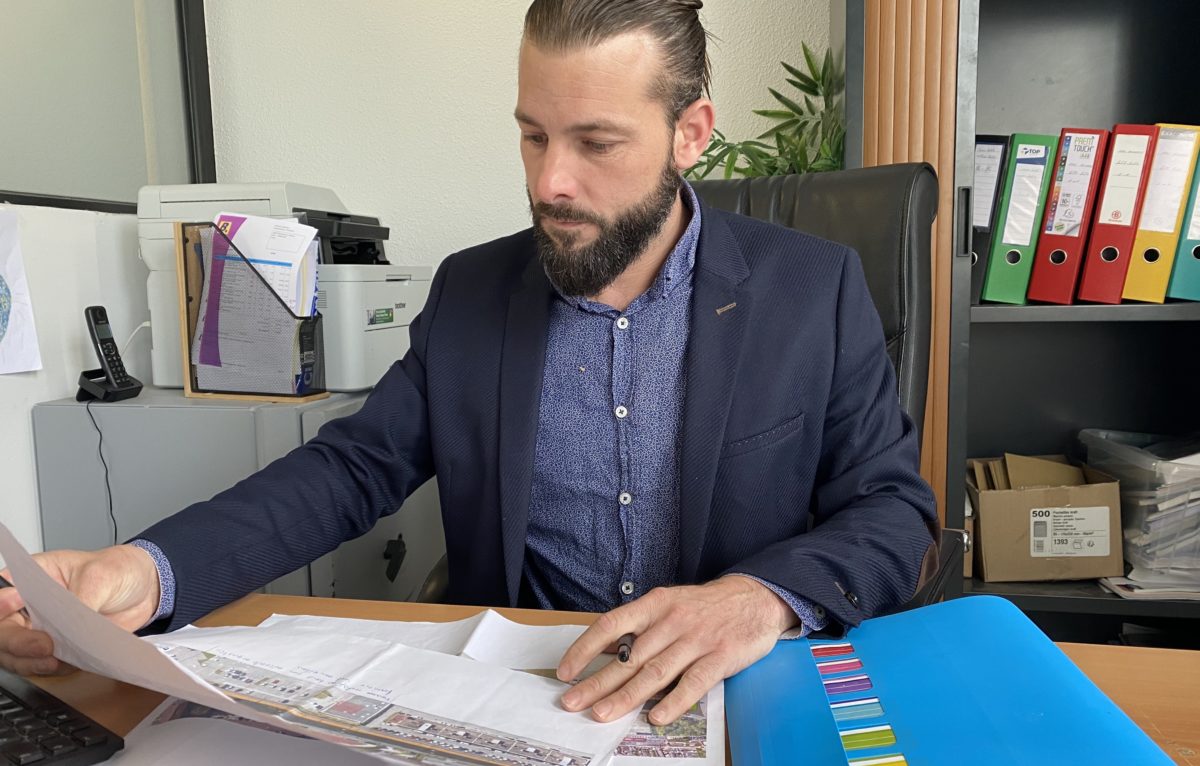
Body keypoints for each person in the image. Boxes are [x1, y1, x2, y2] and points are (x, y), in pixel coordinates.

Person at [0, 0, 936, 727]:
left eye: (595, 143)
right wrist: (146, 569)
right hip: (526, 702)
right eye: (532, 134)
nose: (547, 182)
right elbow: (351, 469)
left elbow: (895, 512)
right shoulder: (473, 293)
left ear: (691, 134)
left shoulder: (813, 289)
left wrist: (758, 599)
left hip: (738, 701)